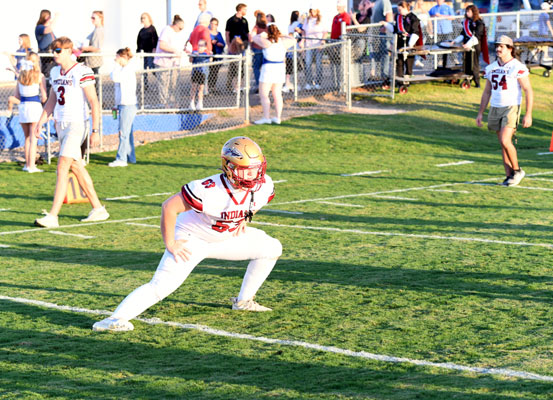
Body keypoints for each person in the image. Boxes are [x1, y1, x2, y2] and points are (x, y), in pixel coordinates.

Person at [92, 136, 282, 332]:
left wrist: (245, 217)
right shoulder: (208, 189)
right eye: (245, 169)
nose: (252, 174)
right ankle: (116, 318)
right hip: (192, 240)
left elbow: (257, 201)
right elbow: (169, 207)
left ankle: (243, 301)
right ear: (229, 167)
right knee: (161, 286)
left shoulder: (264, 185)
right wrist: (171, 243)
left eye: (255, 168)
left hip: (226, 237)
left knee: (272, 248)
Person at [33, 37, 109, 228]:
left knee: (62, 166)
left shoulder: (82, 71)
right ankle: (98, 209)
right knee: (76, 167)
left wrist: (95, 130)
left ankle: (53, 216)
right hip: (61, 124)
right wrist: (41, 122)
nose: (55, 54)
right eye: (53, 50)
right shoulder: (55, 72)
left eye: (58, 50)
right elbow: (52, 100)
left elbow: (94, 101)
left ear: (69, 51)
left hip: (77, 124)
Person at [476, 35, 533, 187]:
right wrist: (480, 113)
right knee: (503, 144)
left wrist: (528, 114)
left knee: (505, 140)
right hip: (495, 107)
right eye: (497, 46)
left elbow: (528, 90)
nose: (498, 49)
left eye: (502, 46)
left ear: (510, 49)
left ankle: (517, 170)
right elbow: (487, 91)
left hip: (511, 107)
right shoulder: (491, 68)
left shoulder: (517, 66)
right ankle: (509, 175)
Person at [252, 24, 295, 125]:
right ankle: (277, 117)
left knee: (264, 94)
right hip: (279, 69)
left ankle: (266, 117)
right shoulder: (283, 42)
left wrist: (262, 35)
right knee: (277, 94)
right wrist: (282, 35)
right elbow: (293, 39)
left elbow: (254, 37)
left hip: (268, 69)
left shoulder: (266, 42)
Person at [13, 53, 47, 173]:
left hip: (23, 107)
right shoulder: (40, 76)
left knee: (27, 138)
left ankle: (27, 165)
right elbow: (44, 97)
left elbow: (16, 95)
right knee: (34, 138)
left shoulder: (21, 76)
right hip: (34, 107)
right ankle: (31, 166)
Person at [109, 48, 137, 168]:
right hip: (123, 105)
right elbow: (117, 87)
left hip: (128, 105)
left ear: (123, 57)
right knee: (127, 132)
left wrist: (116, 65)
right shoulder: (122, 70)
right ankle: (130, 157)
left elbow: (114, 77)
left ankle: (121, 159)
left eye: (117, 57)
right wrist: (116, 105)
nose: (115, 60)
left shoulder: (127, 70)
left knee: (123, 132)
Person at [381, 1, 423, 79]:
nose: (399, 11)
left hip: (409, 42)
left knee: (408, 62)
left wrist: (410, 43)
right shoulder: (398, 16)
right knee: (399, 62)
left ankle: (408, 78)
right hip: (400, 42)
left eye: (400, 9)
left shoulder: (413, 18)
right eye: (398, 10)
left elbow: (415, 31)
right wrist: (386, 24)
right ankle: (400, 79)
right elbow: (395, 29)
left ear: (406, 8)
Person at [451, 5, 489, 88]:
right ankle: (468, 79)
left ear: (473, 12)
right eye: (466, 11)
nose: (467, 13)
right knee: (467, 63)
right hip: (466, 46)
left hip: (474, 45)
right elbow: (463, 33)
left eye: (469, 11)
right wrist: (455, 41)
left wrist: (468, 44)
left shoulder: (479, 22)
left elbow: (477, 36)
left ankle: (477, 82)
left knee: (474, 64)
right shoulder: (467, 22)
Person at [154, 15, 185, 106]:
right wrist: (174, 51)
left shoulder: (177, 34)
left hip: (174, 63)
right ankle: (165, 105)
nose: (180, 30)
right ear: (175, 25)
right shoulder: (166, 30)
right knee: (164, 84)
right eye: (180, 28)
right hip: (164, 63)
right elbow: (162, 45)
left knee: (174, 84)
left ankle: (175, 104)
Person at [302, 7, 327, 90]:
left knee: (318, 64)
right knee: (307, 63)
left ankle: (318, 83)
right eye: (311, 10)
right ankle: (309, 82)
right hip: (309, 44)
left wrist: (322, 42)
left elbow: (325, 32)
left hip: (318, 44)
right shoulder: (307, 19)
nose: (313, 12)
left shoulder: (321, 19)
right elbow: (304, 31)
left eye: (314, 10)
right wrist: (302, 41)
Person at [330, 0, 352, 91]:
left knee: (341, 63)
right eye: (337, 6)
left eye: (339, 6)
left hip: (340, 43)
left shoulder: (345, 16)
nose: (338, 7)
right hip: (333, 42)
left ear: (343, 7)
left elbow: (346, 29)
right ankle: (335, 83)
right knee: (334, 63)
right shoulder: (335, 17)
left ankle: (342, 83)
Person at [370, 0, 393, 82]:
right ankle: (377, 77)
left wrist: (385, 28)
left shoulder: (385, 1)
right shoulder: (377, 2)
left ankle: (384, 77)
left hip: (383, 34)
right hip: (375, 34)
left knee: (385, 54)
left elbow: (389, 16)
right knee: (376, 55)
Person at [428, 0, 455, 68]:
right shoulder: (433, 8)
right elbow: (429, 18)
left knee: (447, 47)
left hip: (447, 31)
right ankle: (437, 63)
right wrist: (431, 30)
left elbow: (453, 17)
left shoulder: (448, 7)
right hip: (437, 31)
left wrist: (441, 16)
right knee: (437, 47)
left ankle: (446, 63)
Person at [136, 13, 159, 91]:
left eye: (144, 18)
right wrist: (138, 50)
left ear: (148, 18)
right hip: (144, 52)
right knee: (144, 70)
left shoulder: (152, 29)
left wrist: (154, 48)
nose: (143, 19)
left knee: (152, 67)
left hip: (150, 52)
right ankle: (145, 85)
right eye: (142, 18)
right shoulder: (141, 31)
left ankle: (160, 81)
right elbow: (139, 41)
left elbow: (155, 39)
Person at [35, 9, 58, 80]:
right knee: (47, 75)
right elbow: (48, 29)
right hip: (45, 55)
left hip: (52, 56)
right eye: (49, 17)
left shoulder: (51, 32)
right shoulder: (39, 27)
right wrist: (56, 17)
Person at [283, 10, 303, 93]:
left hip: (290, 48)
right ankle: (295, 85)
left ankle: (288, 84)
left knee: (289, 68)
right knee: (296, 68)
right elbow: (300, 33)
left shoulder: (290, 25)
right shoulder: (297, 24)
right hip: (295, 47)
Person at [80, 11, 104, 75]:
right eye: (91, 18)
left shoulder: (99, 30)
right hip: (91, 62)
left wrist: (84, 48)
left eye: (94, 18)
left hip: (94, 62)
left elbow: (96, 48)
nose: (92, 20)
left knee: (94, 79)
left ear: (100, 18)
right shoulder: (96, 29)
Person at [189, 40, 211, 111]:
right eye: (199, 45)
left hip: (202, 73)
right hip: (195, 72)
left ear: (205, 47)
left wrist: (210, 54)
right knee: (193, 88)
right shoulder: (195, 53)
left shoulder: (205, 54)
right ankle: (192, 103)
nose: (199, 47)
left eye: (201, 46)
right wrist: (192, 55)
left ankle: (200, 103)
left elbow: (210, 60)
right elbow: (190, 60)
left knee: (201, 89)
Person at [411, 0, 433, 68]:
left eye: (422, 4)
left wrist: (430, 30)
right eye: (419, 4)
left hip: (424, 30)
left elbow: (429, 21)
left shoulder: (425, 12)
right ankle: (417, 59)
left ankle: (418, 59)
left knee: (422, 45)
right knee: (418, 45)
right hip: (417, 30)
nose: (421, 5)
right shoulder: (414, 12)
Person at [251, 11, 268, 90]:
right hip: (265, 49)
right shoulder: (266, 27)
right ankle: (264, 85)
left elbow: (252, 37)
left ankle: (259, 84)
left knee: (256, 68)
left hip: (257, 49)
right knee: (264, 68)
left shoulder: (256, 27)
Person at [208, 17, 225, 93]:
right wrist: (211, 42)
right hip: (210, 55)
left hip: (217, 55)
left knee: (215, 72)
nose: (213, 25)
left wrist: (218, 43)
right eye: (212, 24)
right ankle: (208, 87)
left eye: (215, 24)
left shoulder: (219, 34)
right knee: (210, 72)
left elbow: (223, 44)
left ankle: (213, 87)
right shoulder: (207, 33)